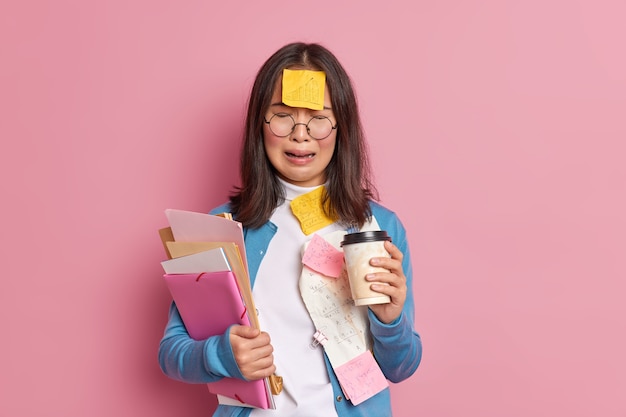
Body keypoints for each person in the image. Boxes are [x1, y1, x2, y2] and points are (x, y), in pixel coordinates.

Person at [158, 42, 422, 417]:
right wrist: (222, 353)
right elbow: (172, 353)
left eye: (319, 117)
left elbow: (401, 366)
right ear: (259, 125)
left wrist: (390, 319)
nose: (301, 134)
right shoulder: (219, 228)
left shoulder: (378, 228)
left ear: (341, 126)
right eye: (282, 116)